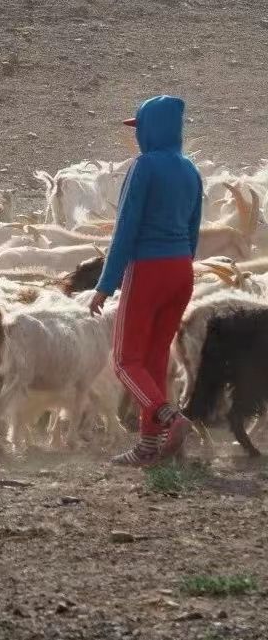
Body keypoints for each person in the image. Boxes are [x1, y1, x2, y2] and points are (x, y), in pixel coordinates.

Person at [89, 95, 202, 466]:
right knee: (153, 359)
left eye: (140, 128)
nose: (137, 136)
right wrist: (180, 265)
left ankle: (170, 418)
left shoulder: (144, 167)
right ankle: (149, 447)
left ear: (151, 129)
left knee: (125, 361)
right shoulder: (190, 170)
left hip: (148, 268)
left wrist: (105, 284)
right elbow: (193, 229)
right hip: (182, 269)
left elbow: (125, 228)